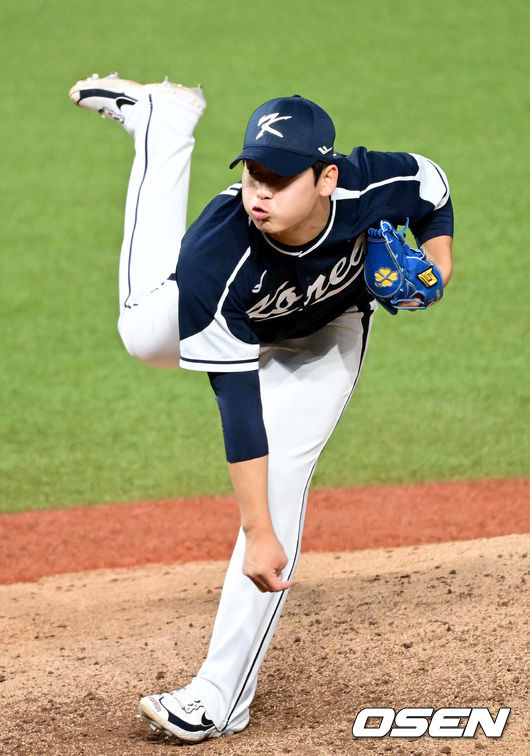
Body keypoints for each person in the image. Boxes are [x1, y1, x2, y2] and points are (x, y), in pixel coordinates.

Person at [68, 72, 454, 743]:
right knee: (141, 334)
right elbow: (240, 407)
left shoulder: (367, 184)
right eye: (252, 175)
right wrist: (257, 532)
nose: (260, 193)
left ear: (326, 179)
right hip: (234, 320)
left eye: (278, 179)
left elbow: (433, 188)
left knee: (284, 488)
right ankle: (162, 126)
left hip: (324, 335)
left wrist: (437, 272)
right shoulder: (220, 256)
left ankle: (218, 697)